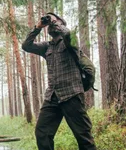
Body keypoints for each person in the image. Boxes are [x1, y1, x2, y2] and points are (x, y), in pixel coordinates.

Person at [21, 13, 96, 150]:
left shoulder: (70, 42)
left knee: (83, 137)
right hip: (52, 97)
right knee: (42, 133)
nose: (50, 23)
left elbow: (68, 35)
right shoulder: (47, 47)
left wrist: (55, 22)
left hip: (72, 95)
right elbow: (26, 46)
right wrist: (38, 27)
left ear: (61, 23)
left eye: (53, 19)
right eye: (48, 20)